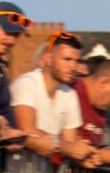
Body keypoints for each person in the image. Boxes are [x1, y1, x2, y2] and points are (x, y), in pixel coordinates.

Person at [10, 29, 94, 163]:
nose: (73, 66)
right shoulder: (27, 83)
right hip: (16, 172)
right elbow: (27, 129)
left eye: (76, 61)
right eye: (67, 59)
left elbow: (70, 140)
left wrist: (85, 152)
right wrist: (67, 147)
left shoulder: (70, 94)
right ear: (48, 58)